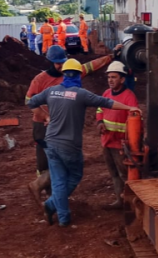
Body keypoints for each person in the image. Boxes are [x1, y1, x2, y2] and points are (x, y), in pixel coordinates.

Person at [27, 59, 132, 227]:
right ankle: (51, 204)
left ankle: (63, 218)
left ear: (64, 74)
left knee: (59, 180)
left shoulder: (51, 91)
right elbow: (106, 102)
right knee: (75, 175)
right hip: (69, 145)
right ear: (78, 75)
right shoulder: (81, 94)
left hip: (51, 142)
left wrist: (46, 117)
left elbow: (30, 102)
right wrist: (130, 108)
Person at [25, 45, 113, 203]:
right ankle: (45, 190)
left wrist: (111, 56)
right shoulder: (40, 80)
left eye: (63, 62)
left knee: (60, 158)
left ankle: (53, 196)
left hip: (61, 125)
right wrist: (45, 116)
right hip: (43, 125)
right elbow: (28, 101)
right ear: (51, 62)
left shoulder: (70, 72)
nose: (61, 66)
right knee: (46, 159)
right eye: (58, 63)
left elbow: (91, 65)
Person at [95, 61, 138, 208]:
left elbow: (135, 120)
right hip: (106, 141)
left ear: (122, 79)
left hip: (120, 144)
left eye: (114, 77)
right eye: (109, 77)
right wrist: (100, 122)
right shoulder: (106, 94)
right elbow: (100, 110)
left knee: (124, 174)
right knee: (113, 174)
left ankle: (130, 203)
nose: (110, 80)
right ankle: (120, 201)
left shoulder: (129, 97)